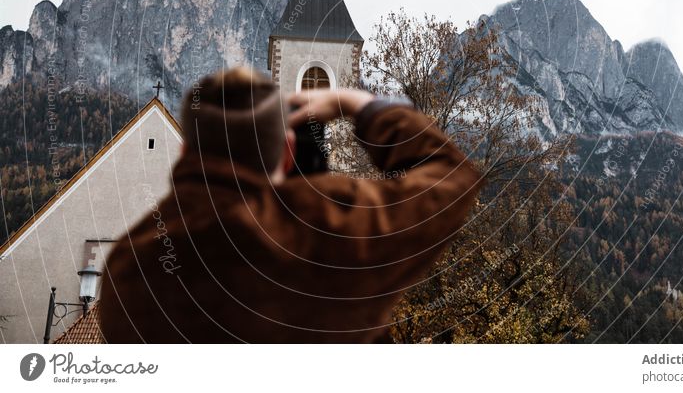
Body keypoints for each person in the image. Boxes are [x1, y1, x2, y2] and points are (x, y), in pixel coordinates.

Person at [99, 66, 482, 343]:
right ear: (287, 151)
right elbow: (453, 176)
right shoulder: (326, 227)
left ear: (186, 151)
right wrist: (360, 104)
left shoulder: (128, 264)